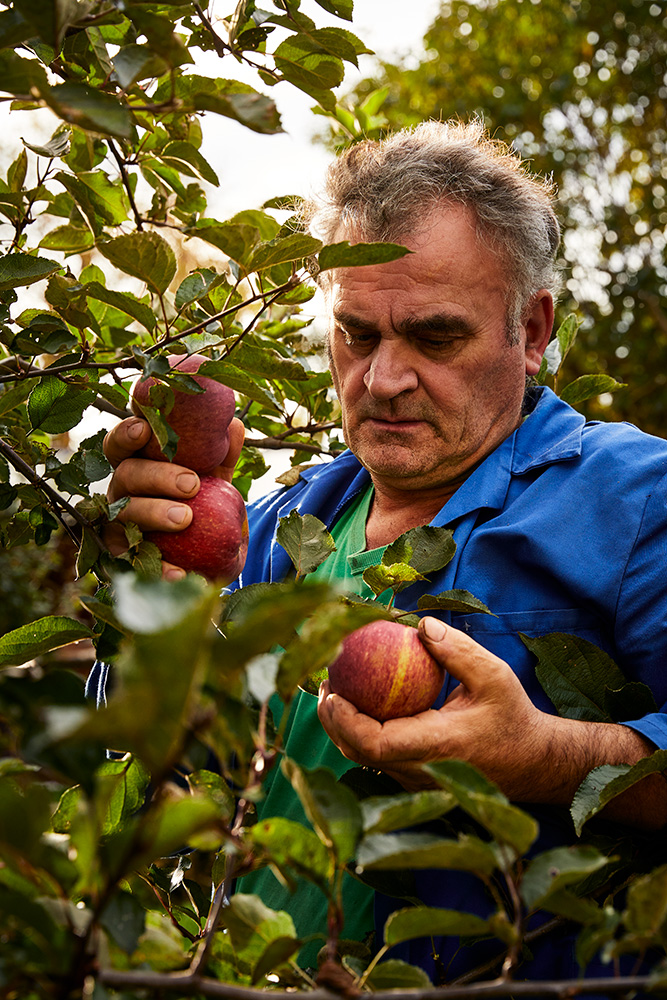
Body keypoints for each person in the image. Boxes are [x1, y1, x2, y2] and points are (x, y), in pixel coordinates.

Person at [102, 120, 667, 987]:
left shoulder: (635, 500)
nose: (381, 380)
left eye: (436, 338)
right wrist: (151, 610)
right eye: (356, 334)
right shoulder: (279, 530)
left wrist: (545, 755)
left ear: (531, 328)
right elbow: (162, 753)